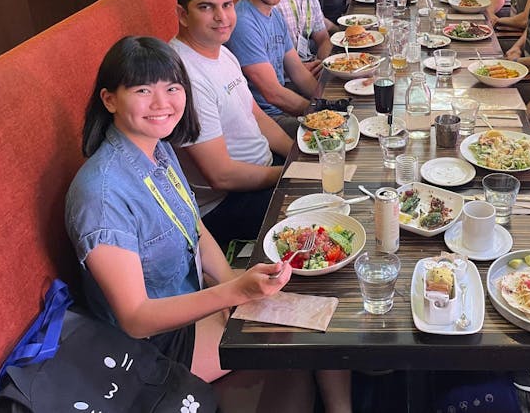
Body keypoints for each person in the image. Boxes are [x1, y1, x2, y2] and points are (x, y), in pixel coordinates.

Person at [65, 36, 352, 412]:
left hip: (194, 299)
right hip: (155, 345)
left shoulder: (160, 150)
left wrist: (234, 284)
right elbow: (136, 319)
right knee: (303, 333)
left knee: (316, 292)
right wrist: (236, 295)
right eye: (142, 90)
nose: (161, 103)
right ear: (109, 99)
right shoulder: (102, 195)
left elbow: (195, 231)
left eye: (171, 87)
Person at [170, 0, 292, 249]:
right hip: (224, 207)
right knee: (325, 210)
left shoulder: (222, 51)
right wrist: (289, 173)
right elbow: (220, 175)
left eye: (226, 5)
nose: (221, 17)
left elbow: (257, 115)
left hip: (263, 173)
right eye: (206, 7)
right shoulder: (185, 76)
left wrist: (297, 157)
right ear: (182, 14)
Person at [226, 0, 319, 138]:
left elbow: (299, 73)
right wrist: (319, 112)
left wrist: (323, 100)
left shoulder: (274, 15)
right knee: (333, 139)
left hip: (282, 109)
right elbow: (272, 93)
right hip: (263, 120)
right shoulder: (243, 22)